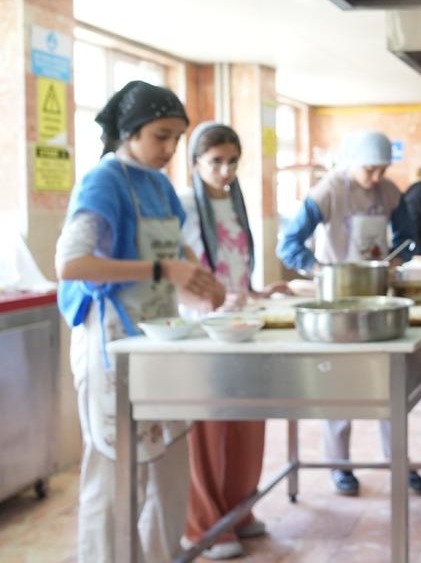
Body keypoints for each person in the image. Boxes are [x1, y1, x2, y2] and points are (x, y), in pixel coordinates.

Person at [56, 80, 225, 562]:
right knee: (115, 473)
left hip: (161, 338)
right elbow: (71, 264)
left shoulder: (157, 184)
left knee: (169, 464)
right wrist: (162, 270)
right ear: (130, 132)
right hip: (111, 343)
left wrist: (204, 280)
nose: (170, 149)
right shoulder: (103, 181)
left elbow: (178, 246)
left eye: (177, 138)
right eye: (161, 136)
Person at [276, 130, 421, 496]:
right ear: (351, 162)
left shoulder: (390, 192)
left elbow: (409, 239)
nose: (376, 178)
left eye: (381, 170)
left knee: (391, 387)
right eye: (369, 170)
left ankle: (399, 461)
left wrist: (395, 260)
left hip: (379, 299)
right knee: (339, 391)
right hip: (337, 305)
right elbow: (289, 244)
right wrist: (320, 270)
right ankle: (340, 467)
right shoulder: (329, 191)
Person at [178, 122, 287, 559]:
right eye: (215, 162)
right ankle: (204, 524)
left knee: (247, 420)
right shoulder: (184, 206)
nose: (225, 170)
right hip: (203, 329)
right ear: (196, 163)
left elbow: (236, 269)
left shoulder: (237, 204)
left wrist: (260, 293)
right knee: (208, 428)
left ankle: (238, 510)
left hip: (242, 324)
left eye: (232, 162)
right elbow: (185, 272)